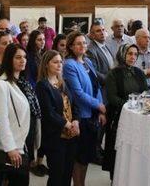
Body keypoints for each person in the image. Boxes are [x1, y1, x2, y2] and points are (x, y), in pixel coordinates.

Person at [62, 31, 106, 186]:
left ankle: (82, 183)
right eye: (78, 43)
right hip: (81, 116)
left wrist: (100, 110)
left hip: (93, 114)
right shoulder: (69, 65)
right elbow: (78, 93)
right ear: (71, 47)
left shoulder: (87, 62)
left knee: (86, 156)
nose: (82, 46)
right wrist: (98, 105)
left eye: (84, 43)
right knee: (79, 157)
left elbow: (96, 86)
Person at [36, 50, 79, 186]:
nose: (59, 65)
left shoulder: (63, 82)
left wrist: (76, 122)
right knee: (56, 175)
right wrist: (67, 124)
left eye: (61, 62)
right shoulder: (42, 85)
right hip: (55, 137)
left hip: (71, 136)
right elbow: (48, 113)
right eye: (55, 62)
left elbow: (74, 104)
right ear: (46, 64)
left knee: (67, 173)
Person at [103, 44, 147, 179]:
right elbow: (111, 97)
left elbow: (144, 92)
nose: (132, 57)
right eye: (129, 54)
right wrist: (129, 106)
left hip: (136, 117)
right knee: (118, 149)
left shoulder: (139, 72)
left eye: (135, 54)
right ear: (122, 54)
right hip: (118, 117)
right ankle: (115, 179)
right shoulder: (113, 73)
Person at [0, 44, 32, 185]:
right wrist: (10, 148)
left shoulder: (16, 83)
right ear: (9, 60)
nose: (23, 60)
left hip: (20, 146)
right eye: (18, 57)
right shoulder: (0, 85)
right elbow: (2, 120)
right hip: (9, 150)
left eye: (25, 57)